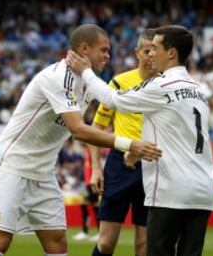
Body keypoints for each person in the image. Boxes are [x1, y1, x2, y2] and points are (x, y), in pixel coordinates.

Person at [0, 24, 162, 256]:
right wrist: (129, 144)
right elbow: (78, 130)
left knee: (57, 243)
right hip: (12, 166)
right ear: (84, 49)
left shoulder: (87, 80)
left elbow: (112, 99)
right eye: (103, 50)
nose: (108, 56)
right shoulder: (58, 78)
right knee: (0, 240)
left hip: (42, 172)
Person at [66, 25, 213, 256]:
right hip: (202, 190)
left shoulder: (160, 86)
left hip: (171, 190)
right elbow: (178, 134)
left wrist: (86, 71)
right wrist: (134, 150)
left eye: (155, 48)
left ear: (171, 53)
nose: (150, 53)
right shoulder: (198, 91)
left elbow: (111, 98)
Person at [88, 29, 157, 256]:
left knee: (144, 246)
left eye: (155, 50)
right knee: (106, 243)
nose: (151, 55)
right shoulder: (119, 84)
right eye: (147, 50)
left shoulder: (166, 86)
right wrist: (96, 169)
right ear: (137, 52)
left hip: (152, 165)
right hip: (120, 164)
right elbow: (96, 130)